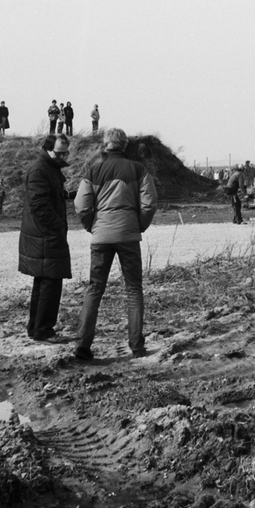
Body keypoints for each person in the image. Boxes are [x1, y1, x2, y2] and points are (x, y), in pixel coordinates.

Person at [73, 127, 158, 360]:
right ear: (125, 145)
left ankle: (82, 346)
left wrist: (92, 226)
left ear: (105, 144)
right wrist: (138, 225)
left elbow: (81, 205)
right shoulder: (138, 169)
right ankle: (137, 347)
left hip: (101, 235)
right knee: (133, 289)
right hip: (128, 235)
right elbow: (149, 203)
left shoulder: (93, 170)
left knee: (95, 289)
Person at [18, 134, 72, 341]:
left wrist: (70, 195)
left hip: (45, 234)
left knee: (43, 283)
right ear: (48, 149)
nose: (62, 157)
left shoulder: (48, 168)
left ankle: (36, 328)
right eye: (59, 153)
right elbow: (39, 206)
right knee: (50, 283)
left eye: (65, 153)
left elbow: (48, 197)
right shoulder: (40, 170)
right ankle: (43, 330)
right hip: (45, 235)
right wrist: (58, 226)